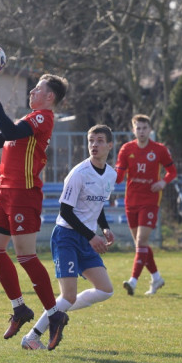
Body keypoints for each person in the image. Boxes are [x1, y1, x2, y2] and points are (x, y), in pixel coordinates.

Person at [0, 74, 69, 341]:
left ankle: (54, 314)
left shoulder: (42, 117)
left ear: (49, 97)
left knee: (25, 256)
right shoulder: (27, 120)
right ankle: (20, 309)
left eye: (38, 88)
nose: (32, 91)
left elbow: (10, 132)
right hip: (4, 192)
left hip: (23, 194)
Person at [21, 125, 117, 351]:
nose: (94, 145)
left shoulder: (111, 174)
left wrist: (104, 228)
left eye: (100, 140)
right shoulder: (78, 174)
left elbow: (98, 204)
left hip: (86, 239)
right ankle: (32, 337)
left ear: (110, 146)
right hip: (66, 237)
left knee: (105, 290)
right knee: (68, 295)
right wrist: (91, 236)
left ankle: (56, 310)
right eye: (91, 140)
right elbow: (65, 211)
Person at [114, 114, 177, 296]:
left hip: (150, 201)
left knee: (141, 241)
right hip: (131, 200)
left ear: (150, 129)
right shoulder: (126, 149)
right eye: (138, 128)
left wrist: (163, 182)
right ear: (133, 130)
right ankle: (157, 278)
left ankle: (133, 281)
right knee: (140, 245)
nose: (141, 131)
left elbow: (172, 171)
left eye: (144, 128)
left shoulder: (159, 150)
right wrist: (108, 175)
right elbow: (119, 175)